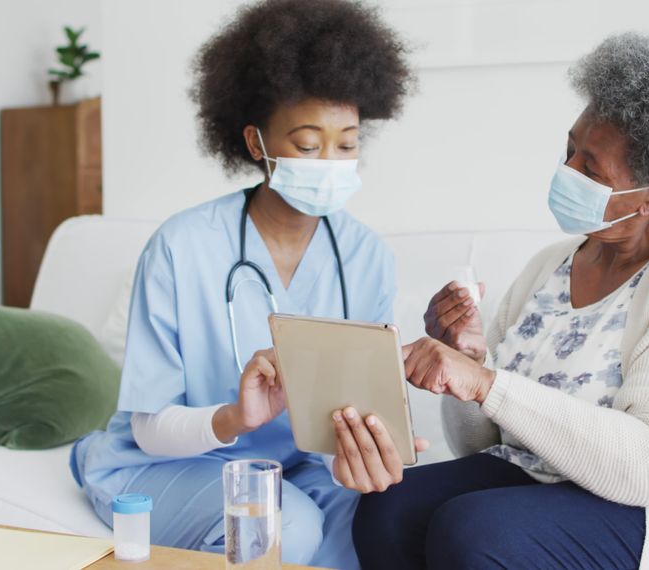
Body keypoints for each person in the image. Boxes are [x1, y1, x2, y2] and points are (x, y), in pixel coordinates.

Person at [348, 32, 649, 569]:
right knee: (387, 507)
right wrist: (467, 365)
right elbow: (482, 444)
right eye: (569, 150)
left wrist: (486, 383)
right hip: (546, 478)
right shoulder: (551, 265)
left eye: (591, 168)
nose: (566, 173)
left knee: (476, 531)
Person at [68, 2, 419, 568]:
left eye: (347, 144)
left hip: (294, 467)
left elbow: (348, 419)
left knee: (387, 518)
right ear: (257, 144)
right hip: (161, 462)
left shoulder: (367, 256)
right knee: (284, 522)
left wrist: (371, 449)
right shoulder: (182, 246)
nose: (329, 162)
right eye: (307, 146)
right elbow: (151, 427)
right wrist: (236, 416)